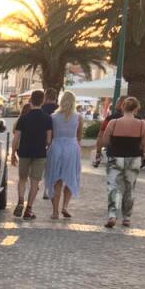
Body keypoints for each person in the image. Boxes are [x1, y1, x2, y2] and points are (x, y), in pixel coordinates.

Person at [94, 95, 145, 228]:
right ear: (136, 109)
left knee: (113, 186)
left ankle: (112, 215)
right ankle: (127, 218)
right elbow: (144, 144)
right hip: (133, 158)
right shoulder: (142, 124)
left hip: (115, 156)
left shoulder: (114, 122)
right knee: (130, 188)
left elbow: (105, 141)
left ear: (123, 107)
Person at [10, 89, 53, 219]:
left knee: (22, 179)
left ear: (30, 101)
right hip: (40, 153)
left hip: (24, 152)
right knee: (35, 182)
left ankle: (20, 201)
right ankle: (29, 209)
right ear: (43, 101)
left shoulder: (23, 118)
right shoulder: (47, 119)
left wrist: (12, 153)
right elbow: (49, 139)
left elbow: (16, 138)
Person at [45, 90, 83, 219]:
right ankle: (65, 206)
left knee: (56, 180)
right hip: (72, 147)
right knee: (71, 177)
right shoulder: (78, 117)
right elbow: (79, 136)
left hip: (56, 147)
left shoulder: (53, 117)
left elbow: (51, 135)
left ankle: (55, 211)